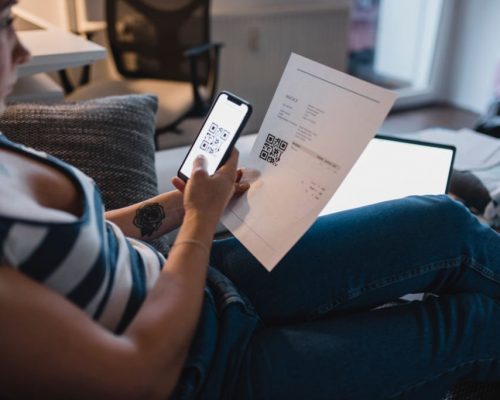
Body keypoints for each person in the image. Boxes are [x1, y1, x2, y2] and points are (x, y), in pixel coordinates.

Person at [1, 1, 500, 399]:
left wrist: (182, 204)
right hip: (206, 369)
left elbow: (87, 229)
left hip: (200, 282)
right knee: (468, 324)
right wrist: (199, 220)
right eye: (5, 25)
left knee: (443, 221)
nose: (21, 50)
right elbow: (137, 376)